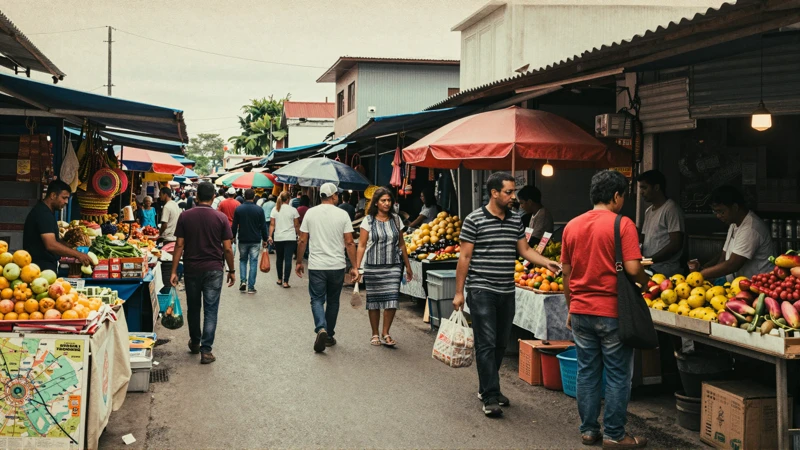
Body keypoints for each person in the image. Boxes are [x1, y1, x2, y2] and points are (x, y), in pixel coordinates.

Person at [453, 172, 560, 417]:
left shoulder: (515, 221)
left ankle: (487, 386)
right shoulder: (474, 219)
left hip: (506, 290)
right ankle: (490, 394)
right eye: (508, 192)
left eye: (513, 192)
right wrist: (459, 292)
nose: (513, 197)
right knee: (486, 342)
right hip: (481, 290)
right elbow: (465, 257)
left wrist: (546, 263)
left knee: (500, 343)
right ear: (494, 193)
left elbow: (524, 250)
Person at [561, 170, 650, 448]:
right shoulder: (622, 225)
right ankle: (614, 434)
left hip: (581, 310)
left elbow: (566, 273)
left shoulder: (571, 226)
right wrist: (646, 282)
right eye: (623, 195)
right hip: (612, 312)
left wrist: (570, 308)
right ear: (616, 195)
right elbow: (634, 269)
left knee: (587, 371)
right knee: (617, 373)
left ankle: (589, 431)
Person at [170, 181, 235, 365]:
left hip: (192, 268)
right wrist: (231, 270)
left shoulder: (185, 216)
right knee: (211, 310)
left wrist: (174, 270)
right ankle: (206, 351)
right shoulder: (221, 218)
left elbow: (179, 244)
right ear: (213, 197)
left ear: (196, 196)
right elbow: (228, 249)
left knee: (193, 307)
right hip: (214, 269)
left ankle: (195, 341)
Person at [295, 183, 359, 353]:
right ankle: (329, 335)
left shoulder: (311, 213)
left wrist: (299, 261)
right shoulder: (342, 214)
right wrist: (355, 266)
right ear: (334, 196)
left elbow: (302, 240)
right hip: (337, 266)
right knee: (333, 301)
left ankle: (321, 327)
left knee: (316, 299)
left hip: (316, 265)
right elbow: (350, 242)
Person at [355, 188, 413, 347]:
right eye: (383, 200)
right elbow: (361, 245)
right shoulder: (368, 220)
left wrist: (408, 266)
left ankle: (385, 332)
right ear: (376, 202)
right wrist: (357, 267)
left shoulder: (396, 220)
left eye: (389, 200)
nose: (387, 203)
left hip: (394, 265)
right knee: (374, 301)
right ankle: (374, 333)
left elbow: (402, 244)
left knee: (392, 299)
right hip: (373, 265)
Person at [689, 185, 774, 280]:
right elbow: (724, 256)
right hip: (737, 285)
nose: (718, 216)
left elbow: (733, 264)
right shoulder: (733, 224)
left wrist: (701, 275)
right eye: (715, 212)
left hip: (756, 285)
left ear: (735, 207)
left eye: (721, 211)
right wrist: (705, 268)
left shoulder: (750, 228)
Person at [23, 180, 92, 272]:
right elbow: (51, 245)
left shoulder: (45, 211)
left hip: (43, 266)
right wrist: (77, 254)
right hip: (40, 268)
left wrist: (70, 246)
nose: (66, 202)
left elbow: (55, 240)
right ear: (53, 195)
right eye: (64, 198)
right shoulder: (43, 214)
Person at [637, 170, 685, 277]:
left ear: (657, 188)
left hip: (666, 270)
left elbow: (676, 244)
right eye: (640, 188)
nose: (641, 192)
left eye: (644, 188)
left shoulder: (671, 209)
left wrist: (650, 260)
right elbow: (643, 238)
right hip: (649, 268)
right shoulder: (648, 211)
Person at [231, 189, 269, 294]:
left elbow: (234, 225)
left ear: (244, 196)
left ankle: (243, 281)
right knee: (253, 262)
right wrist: (265, 239)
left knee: (243, 260)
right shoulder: (259, 210)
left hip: (243, 239)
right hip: (255, 240)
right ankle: (251, 286)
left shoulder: (239, 209)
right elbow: (263, 226)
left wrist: (233, 236)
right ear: (253, 197)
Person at [269, 191, 300, 288]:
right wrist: (299, 235)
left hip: (278, 237)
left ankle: (279, 279)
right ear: (288, 199)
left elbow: (272, 224)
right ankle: (286, 282)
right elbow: (296, 225)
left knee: (279, 259)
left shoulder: (275, 209)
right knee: (288, 259)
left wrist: (270, 236)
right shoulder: (293, 210)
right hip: (290, 238)